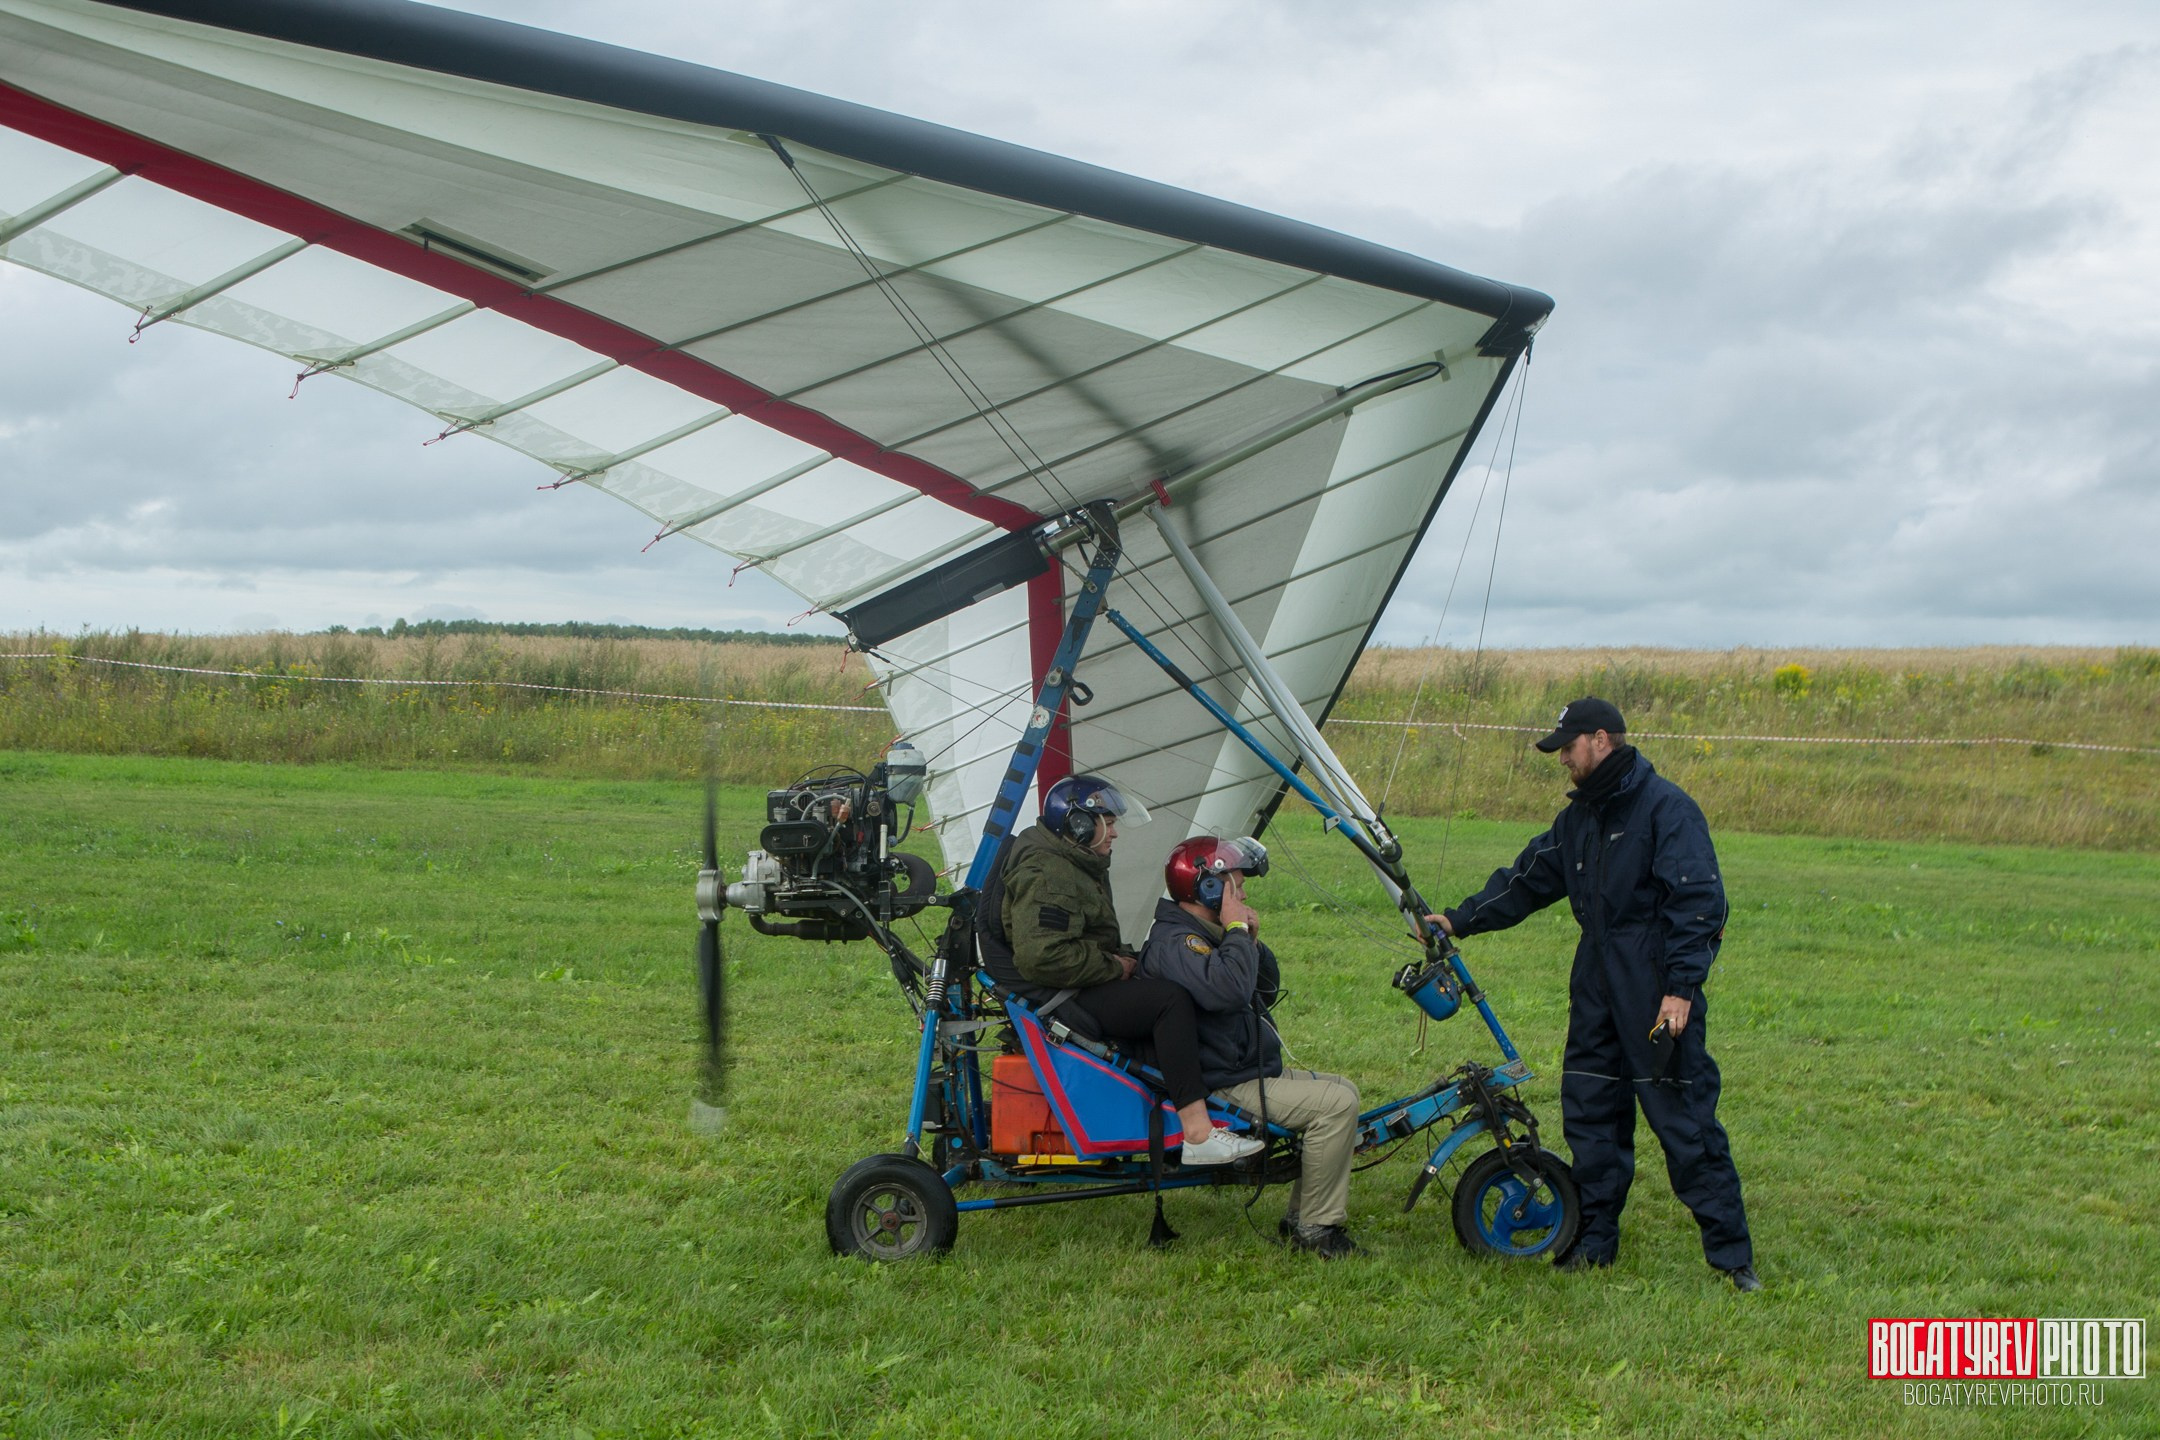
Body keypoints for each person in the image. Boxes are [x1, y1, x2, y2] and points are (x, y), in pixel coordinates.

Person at [1429, 697, 1759, 1291]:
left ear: (1601, 739)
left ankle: (1733, 1258)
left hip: (1653, 985)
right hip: (1596, 982)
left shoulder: (1667, 809)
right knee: (1591, 1114)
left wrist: (1680, 990)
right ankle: (1595, 1241)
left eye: (1568, 748)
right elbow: (1527, 880)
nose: (1562, 760)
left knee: (1684, 1121)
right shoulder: (1579, 819)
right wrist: (1459, 919)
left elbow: (1700, 904)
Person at [982, 775, 1263, 1167]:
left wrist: (1130, 960)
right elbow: (1042, 956)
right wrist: (1114, 966)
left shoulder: (1071, 861)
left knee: (1164, 985)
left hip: (1078, 982)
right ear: (1080, 824)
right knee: (1168, 1000)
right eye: (1108, 822)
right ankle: (1198, 1132)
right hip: (1065, 993)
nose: (1114, 832)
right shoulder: (1049, 873)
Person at [1141, 836, 1365, 1258]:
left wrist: (1251, 942)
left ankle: (1300, 1216)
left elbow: (1262, 991)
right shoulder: (1179, 944)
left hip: (1240, 1067)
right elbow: (1227, 992)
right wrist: (1237, 932)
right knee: (1336, 1106)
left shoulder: (1204, 934)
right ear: (1209, 889)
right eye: (1236, 888)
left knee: (1344, 1089)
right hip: (1223, 1082)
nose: (1242, 897)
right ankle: (1317, 1230)